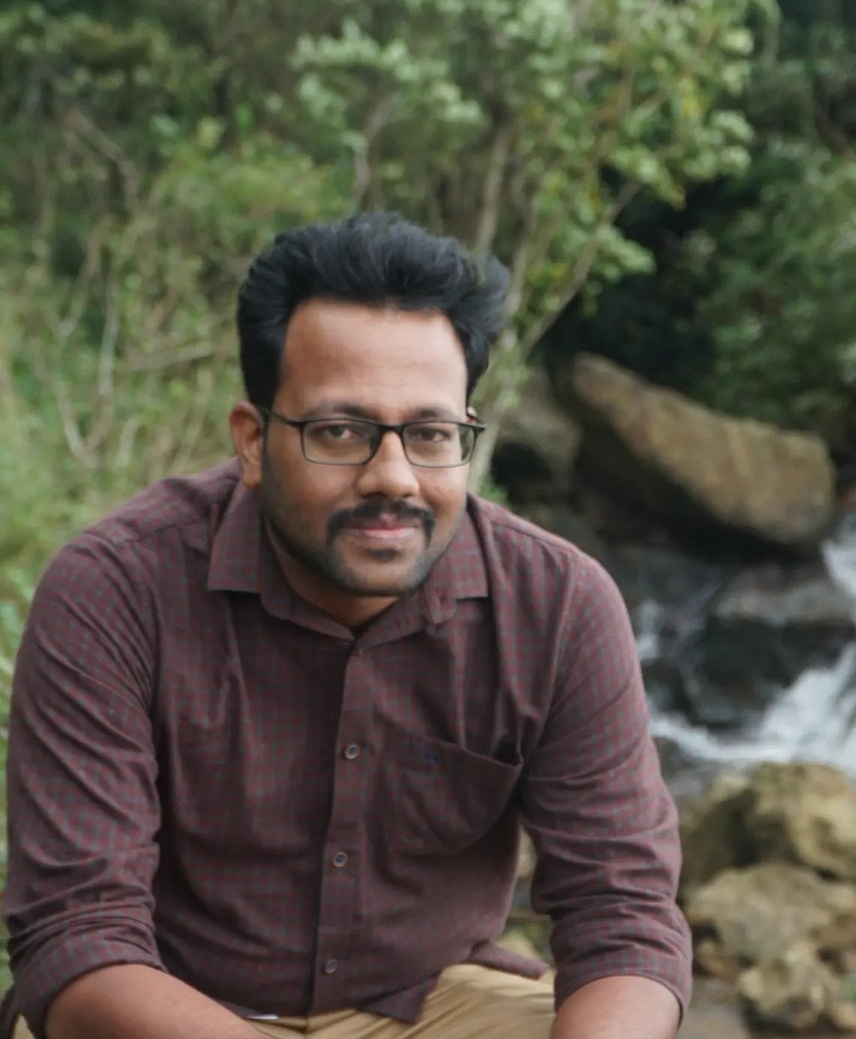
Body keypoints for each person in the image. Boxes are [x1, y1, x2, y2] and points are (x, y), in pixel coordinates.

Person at [3, 213, 691, 1039]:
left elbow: (624, 914)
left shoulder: (559, 605)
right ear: (253, 440)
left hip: (435, 1007)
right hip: (176, 1008)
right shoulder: (116, 591)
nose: (393, 477)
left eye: (430, 434)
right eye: (340, 432)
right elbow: (75, 933)